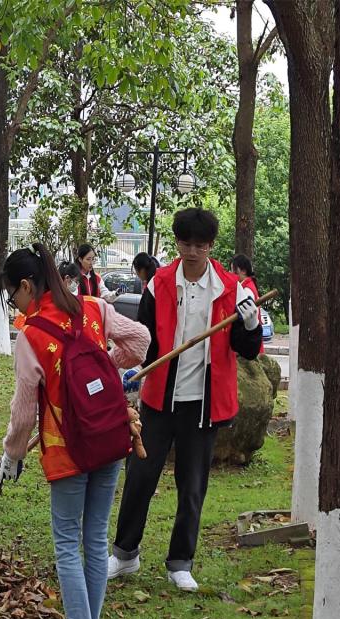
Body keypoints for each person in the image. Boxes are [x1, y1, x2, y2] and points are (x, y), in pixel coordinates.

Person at [0, 244, 149, 619]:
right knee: (95, 539)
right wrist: (109, 367)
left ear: (27, 286)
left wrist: (11, 455)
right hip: (111, 436)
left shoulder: (31, 333)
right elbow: (141, 341)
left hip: (68, 451)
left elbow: (24, 412)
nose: (15, 305)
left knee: (67, 542)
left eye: (13, 296)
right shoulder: (94, 307)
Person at [109, 208, 262, 593]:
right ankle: (125, 552)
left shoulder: (230, 289)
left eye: (200, 245)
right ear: (176, 242)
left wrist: (249, 324)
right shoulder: (159, 284)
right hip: (160, 398)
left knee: (192, 484)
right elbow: (143, 338)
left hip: (204, 403)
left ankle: (181, 561)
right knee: (140, 475)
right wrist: (128, 366)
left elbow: (247, 350)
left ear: (210, 246)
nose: (192, 251)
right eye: (185, 243)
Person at [230, 254, 264, 353]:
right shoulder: (249, 285)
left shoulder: (246, 290)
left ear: (243, 271)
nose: (231, 273)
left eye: (234, 270)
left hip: (249, 339)